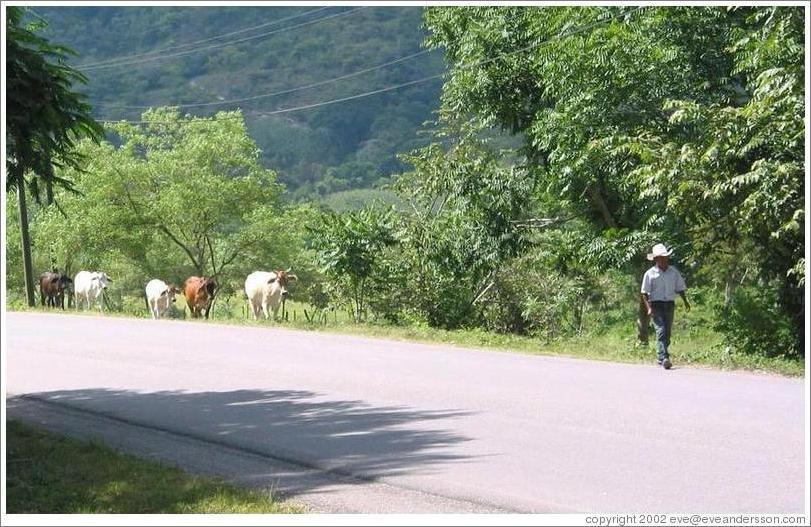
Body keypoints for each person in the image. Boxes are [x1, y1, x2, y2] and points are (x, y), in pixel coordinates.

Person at [640, 243, 690, 369]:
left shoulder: (673, 272)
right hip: (656, 305)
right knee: (661, 331)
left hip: (669, 304)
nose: (664, 260)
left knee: (667, 332)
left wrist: (685, 301)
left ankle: (661, 356)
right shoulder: (650, 274)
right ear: (656, 259)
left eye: (665, 257)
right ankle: (664, 357)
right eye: (661, 258)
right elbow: (644, 293)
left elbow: (680, 288)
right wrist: (649, 308)